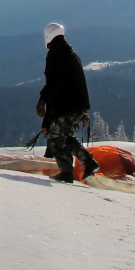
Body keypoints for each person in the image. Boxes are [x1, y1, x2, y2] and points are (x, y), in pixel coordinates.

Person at [36, 23, 100, 183]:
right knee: (65, 136)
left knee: (55, 138)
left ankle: (66, 172)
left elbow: (55, 83)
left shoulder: (55, 54)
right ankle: (89, 162)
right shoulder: (70, 53)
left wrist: (42, 99)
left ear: (48, 37)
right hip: (78, 105)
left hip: (68, 105)